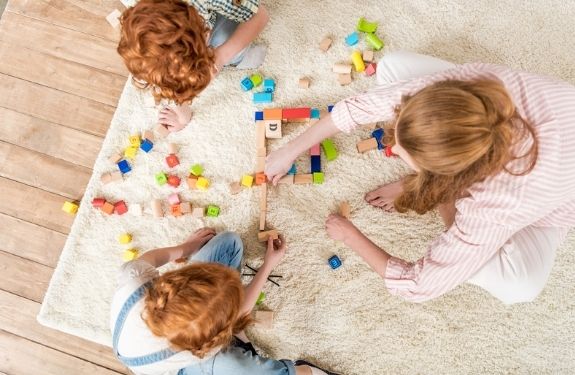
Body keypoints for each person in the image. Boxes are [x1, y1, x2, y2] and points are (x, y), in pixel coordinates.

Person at [264, 51, 575, 304]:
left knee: (520, 286)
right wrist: (290, 150)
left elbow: (418, 285)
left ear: (452, 175)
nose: (393, 148)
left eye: (405, 153)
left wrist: (350, 235)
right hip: (512, 144)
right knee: (391, 67)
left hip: (551, 205)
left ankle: (443, 190)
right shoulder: (478, 80)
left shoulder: (494, 207)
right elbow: (359, 107)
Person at [110, 228, 339, 374]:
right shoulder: (206, 351)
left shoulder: (136, 281)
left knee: (229, 243)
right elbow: (238, 315)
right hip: (185, 368)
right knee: (240, 367)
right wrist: (268, 266)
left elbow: (151, 258)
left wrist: (186, 248)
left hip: (173, 337)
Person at [117, 0, 269, 132]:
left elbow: (260, 16)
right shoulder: (138, 21)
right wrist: (178, 102)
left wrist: (222, 55)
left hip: (213, 14)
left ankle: (240, 56)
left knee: (230, 44)